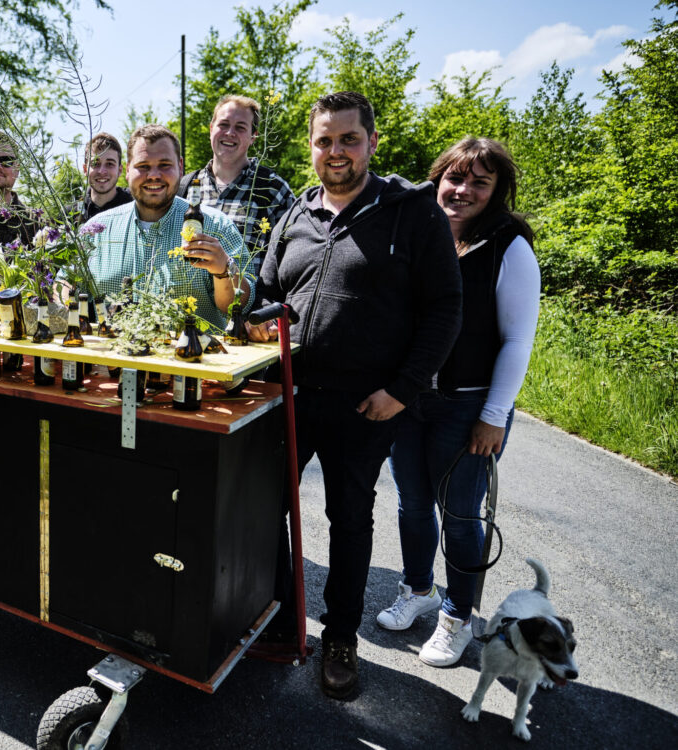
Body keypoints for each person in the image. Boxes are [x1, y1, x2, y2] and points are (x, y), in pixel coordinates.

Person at [247, 92, 463, 698]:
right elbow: (268, 291)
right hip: (287, 396)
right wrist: (258, 319)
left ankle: (341, 636)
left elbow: (446, 309)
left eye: (347, 139)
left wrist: (402, 389)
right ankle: (278, 616)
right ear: (311, 146)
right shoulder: (295, 214)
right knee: (262, 508)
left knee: (348, 519)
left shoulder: (410, 213)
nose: (335, 151)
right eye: (324, 140)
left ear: (370, 141)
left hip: (363, 405)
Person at [375, 137, 541, 667]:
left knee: (463, 516)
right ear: (437, 179)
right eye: (455, 178)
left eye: (479, 182)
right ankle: (417, 590)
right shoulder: (417, 233)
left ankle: (457, 616)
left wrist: (494, 416)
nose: (463, 190)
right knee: (412, 504)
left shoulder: (508, 246)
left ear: (496, 191)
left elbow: (518, 339)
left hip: (469, 408)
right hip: (410, 400)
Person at [88, 124, 252, 329]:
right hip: (111, 359)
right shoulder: (96, 229)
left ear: (180, 167)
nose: (154, 175)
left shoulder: (215, 225)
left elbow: (242, 306)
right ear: (128, 169)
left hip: (193, 357)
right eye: (144, 166)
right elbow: (65, 287)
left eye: (165, 165)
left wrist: (223, 269)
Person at [179, 95, 294, 283]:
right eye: (223, 124)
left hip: (246, 309)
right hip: (188, 309)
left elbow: (290, 261)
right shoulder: (186, 187)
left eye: (240, 127)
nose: (230, 133)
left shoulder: (273, 189)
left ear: (253, 137)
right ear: (211, 129)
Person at [67, 132, 132, 224]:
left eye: (110, 164)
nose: (102, 171)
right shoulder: (69, 215)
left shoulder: (135, 205)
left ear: (120, 170)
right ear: (85, 169)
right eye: (95, 164)